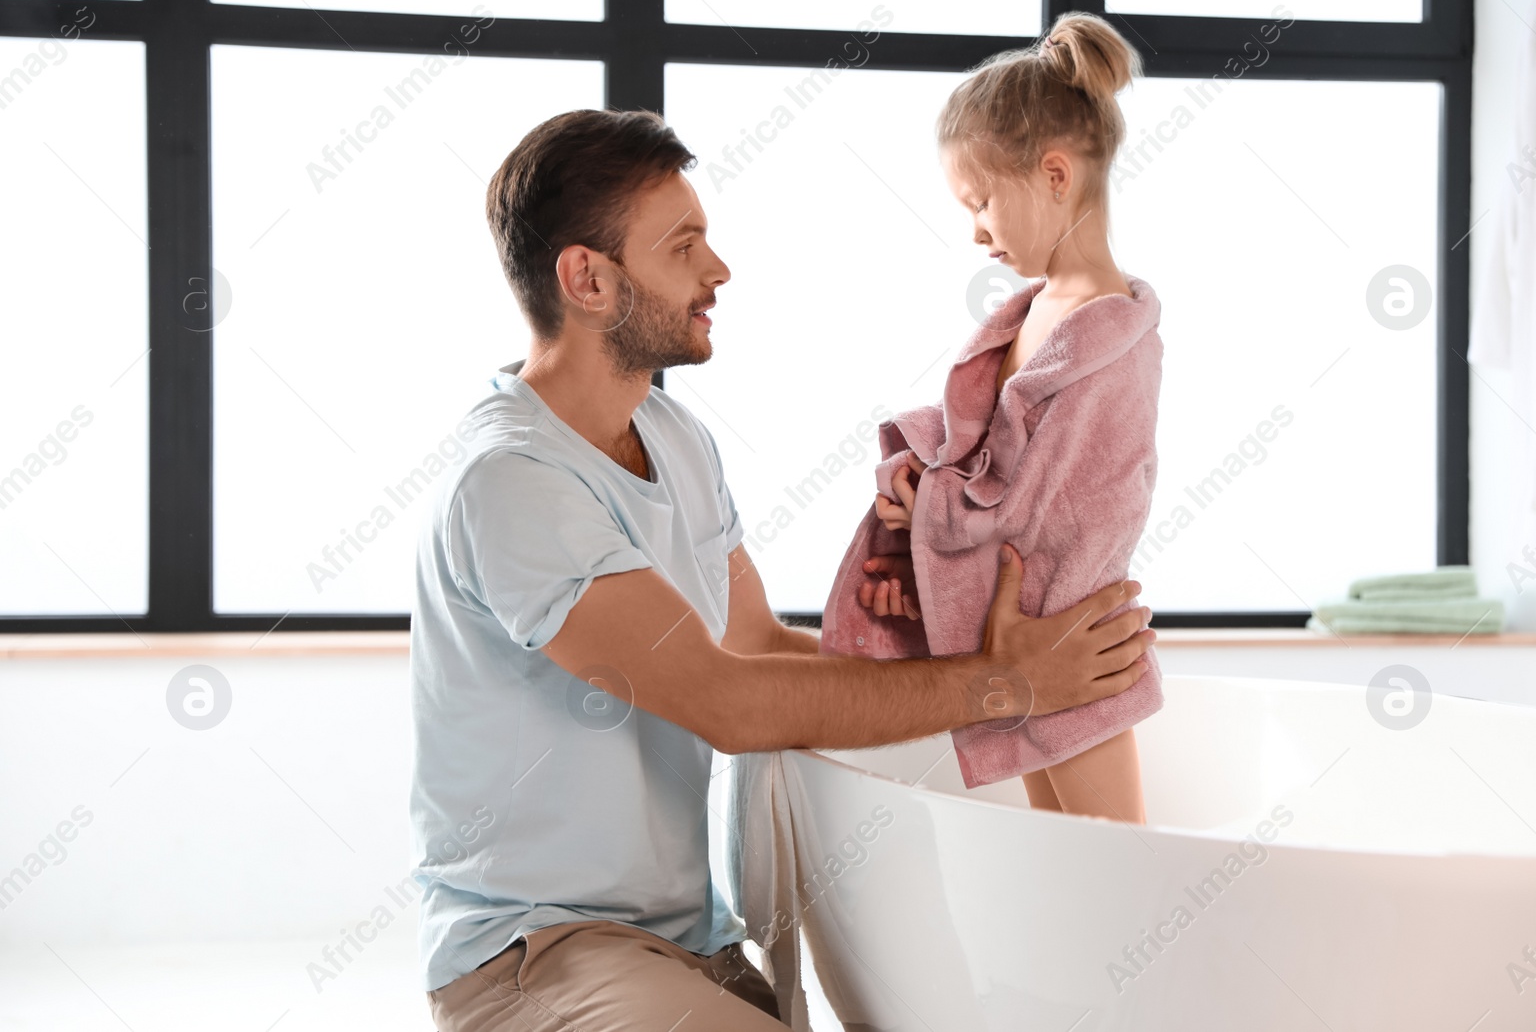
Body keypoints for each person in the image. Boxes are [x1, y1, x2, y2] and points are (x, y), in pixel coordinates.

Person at [409, 106, 1155, 1031]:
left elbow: (755, 642)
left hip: (686, 941)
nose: (717, 271)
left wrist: (947, 639)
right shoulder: (513, 480)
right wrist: (1004, 684)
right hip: (537, 953)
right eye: (684, 247)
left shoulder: (670, 435)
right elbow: (731, 703)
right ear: (587, 277)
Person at [827, 11, 1162, 822]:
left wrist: (931, 509)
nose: (975, 231)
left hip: (1073, 651)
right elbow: (985, 460)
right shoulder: (1034, 309)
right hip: (1029, 646)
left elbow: (1052, 509)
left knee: (1121, 876)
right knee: (1062, 862)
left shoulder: (1109, 332)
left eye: (981, 202)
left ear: (1055, 175)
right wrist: (921, 485)